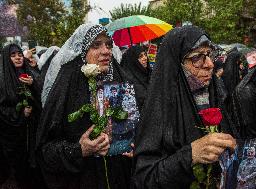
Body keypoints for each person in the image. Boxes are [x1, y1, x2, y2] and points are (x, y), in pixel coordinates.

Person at [132, 25, 236, 189]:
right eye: (197, 57)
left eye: (209, 54)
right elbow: (145, 178)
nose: (209, 64)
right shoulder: (161, 108)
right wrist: (191, 155)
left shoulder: (215, 96)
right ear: (177, 63)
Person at [36, 24, 133, 189]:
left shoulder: (119, 79)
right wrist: (79, 150)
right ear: (82, 51)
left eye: (109, 44)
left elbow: (134, 126)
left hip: (120, 176)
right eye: (96, 45)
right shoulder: (67, 86)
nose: (106, 51)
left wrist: (133, 143)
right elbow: (45, 151)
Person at [0, 44, 42, 189]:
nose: (18, 57)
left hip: (32, 131)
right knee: (20, 170)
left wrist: (33, 83)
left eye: (19, 54)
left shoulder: (29, 72)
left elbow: (44, 95)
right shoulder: (2, 80)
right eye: (13, 55)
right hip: (14, 137)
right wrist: (19, 113)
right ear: (7, 58)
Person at [120, 45, 151, 111]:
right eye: (140, 56)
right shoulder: (129, 81)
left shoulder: (149, 74)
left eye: (145, 55)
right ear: (133, 60)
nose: (145, 58)